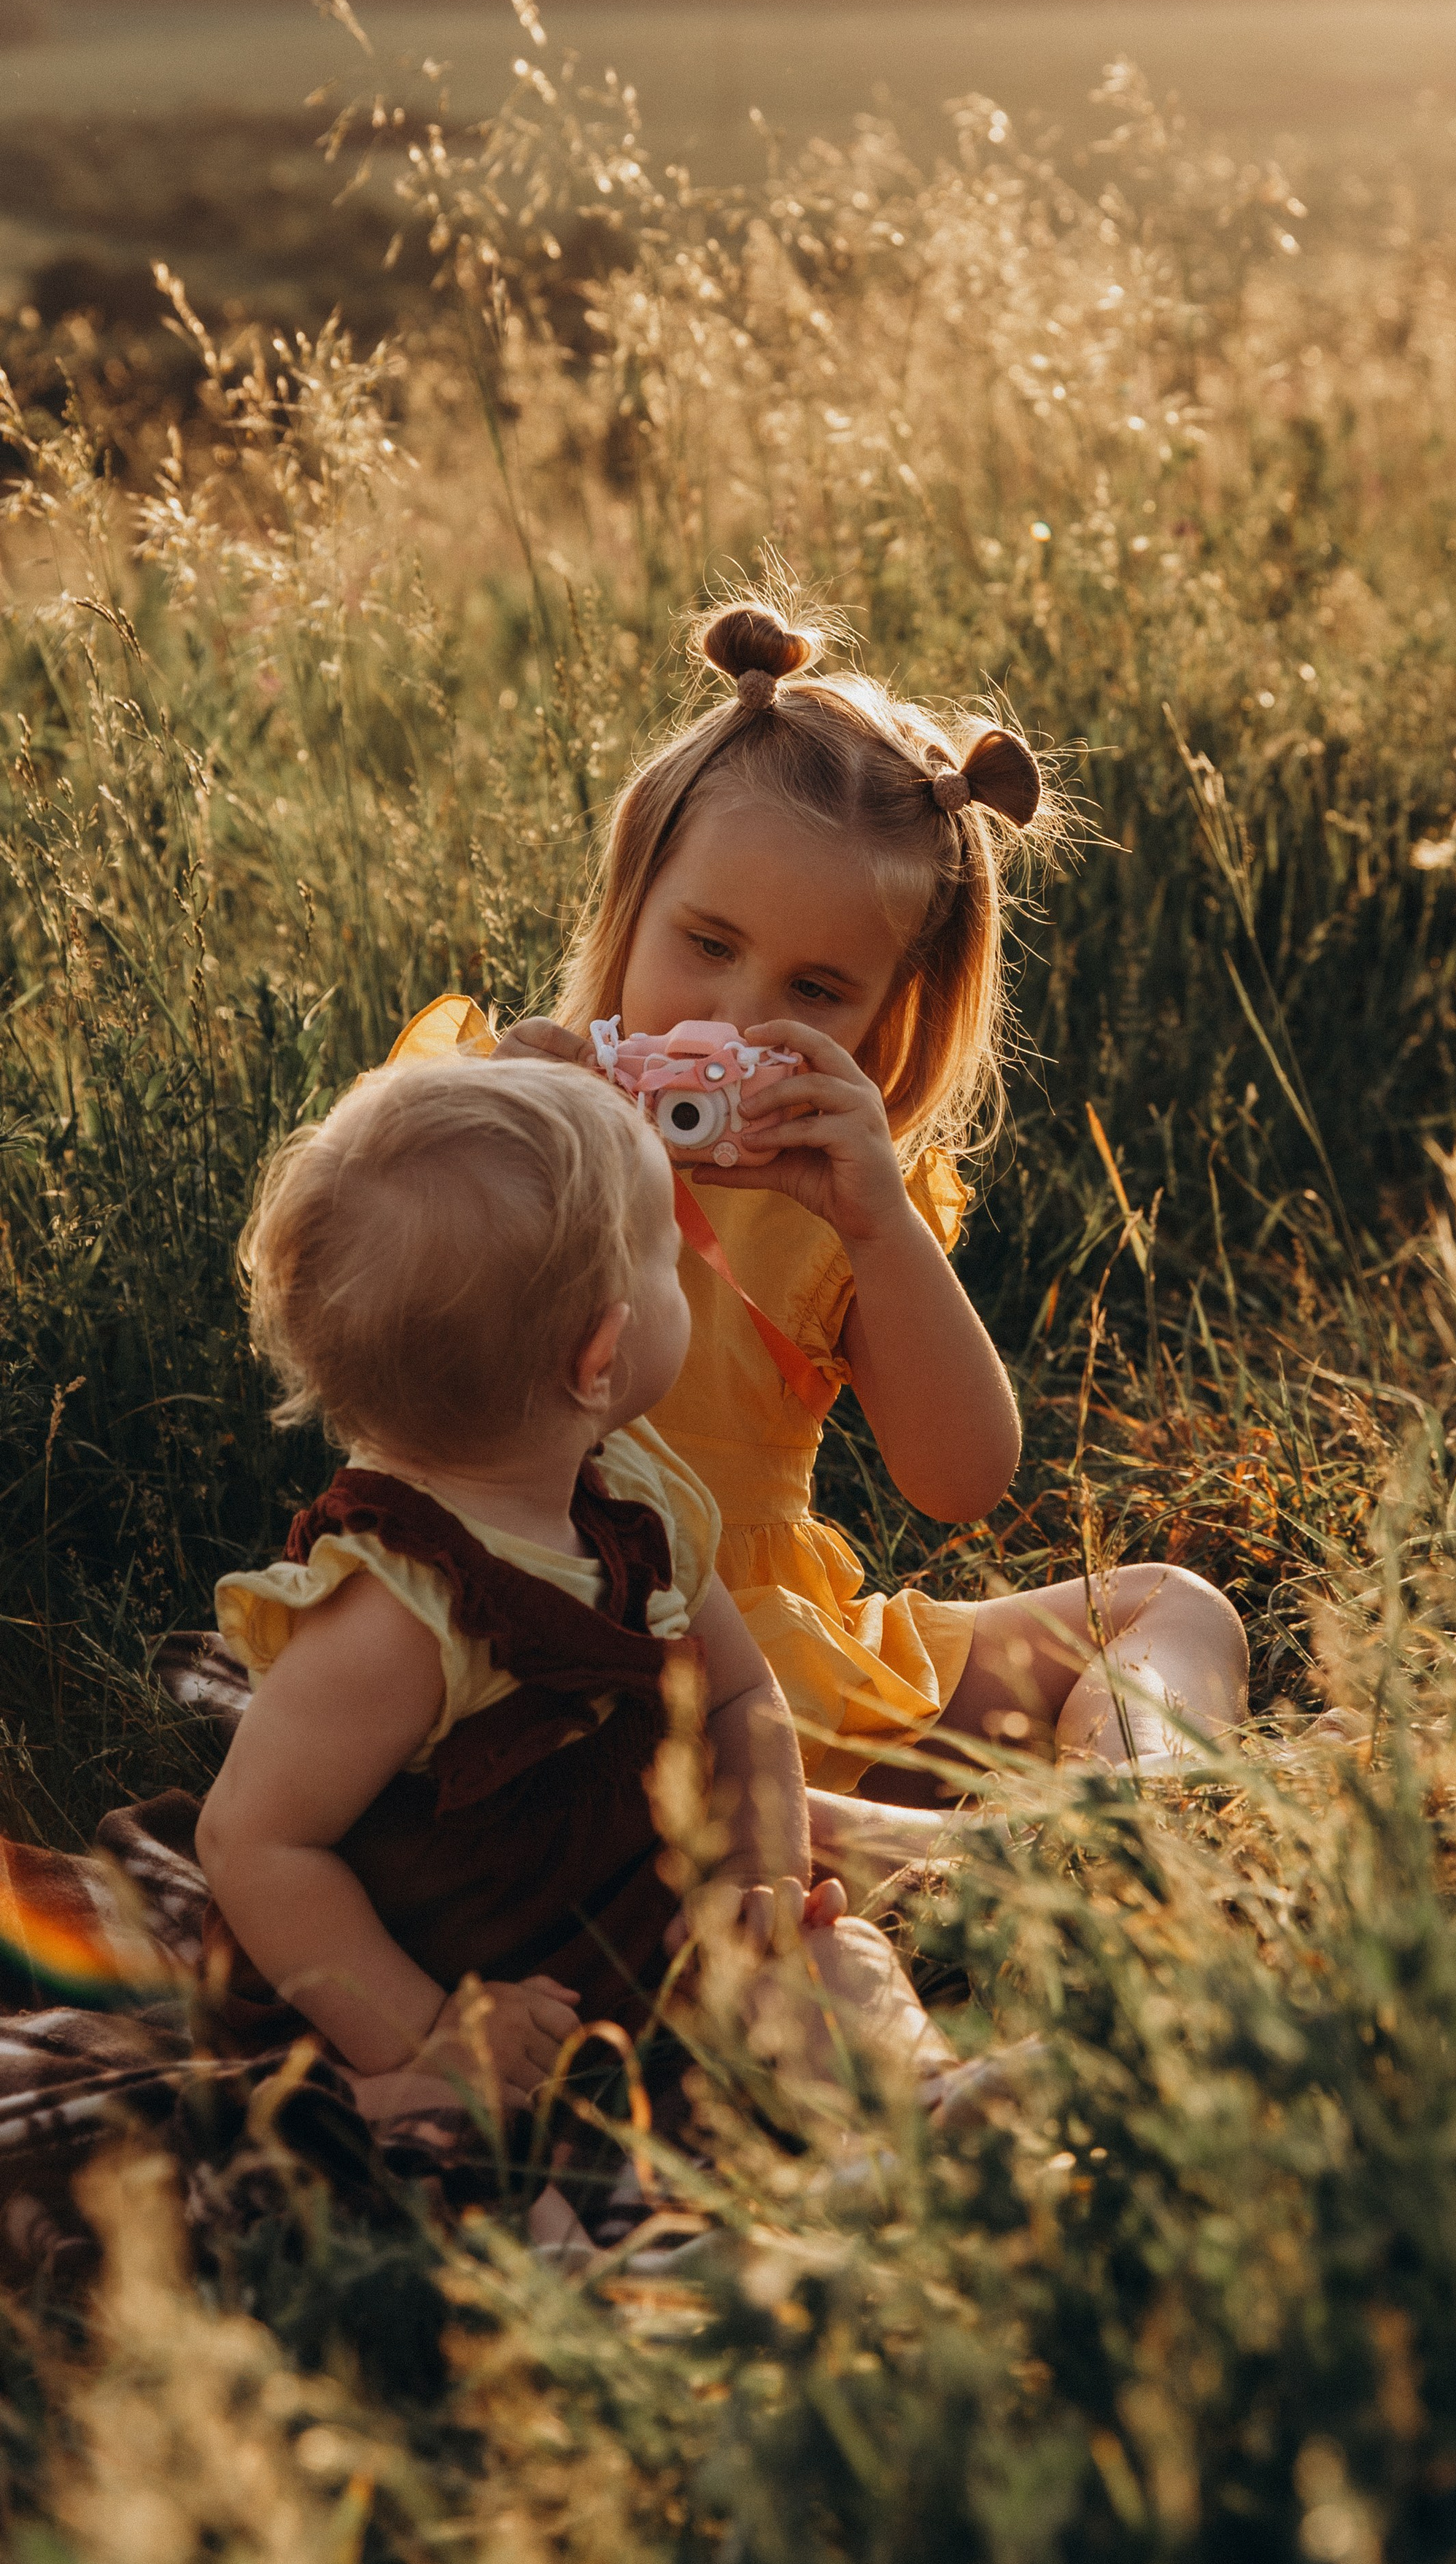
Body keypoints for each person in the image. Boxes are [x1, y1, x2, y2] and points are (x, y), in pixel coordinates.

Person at [491, 595, 1252, 1875]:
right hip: (573, 1645)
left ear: (889, 1017)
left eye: (817, 989)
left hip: (790, 1651)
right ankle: (940, 1859)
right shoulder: (499, 1108)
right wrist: (507, 1159)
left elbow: (962, 1482)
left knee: (1175, 1605)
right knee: (638, 1768)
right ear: (633, 896)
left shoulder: (835, 1195)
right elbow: (376, 1376)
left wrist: (879, 1222)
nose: (741, 1015)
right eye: (708, 944)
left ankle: (1125, 1807)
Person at [193, 1050, 949, 2131]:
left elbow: (743, 1697)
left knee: (837, 1959)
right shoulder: (401, 1608)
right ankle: (509, 2143)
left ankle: (933, 2119)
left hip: (638, 1931)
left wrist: (757, 1871)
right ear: (602, 1355)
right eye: (668, 1258)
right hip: (447, 1974)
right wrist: (431, 2034)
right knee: (442, 2134)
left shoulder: (632, 1489)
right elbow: (252, 1841)